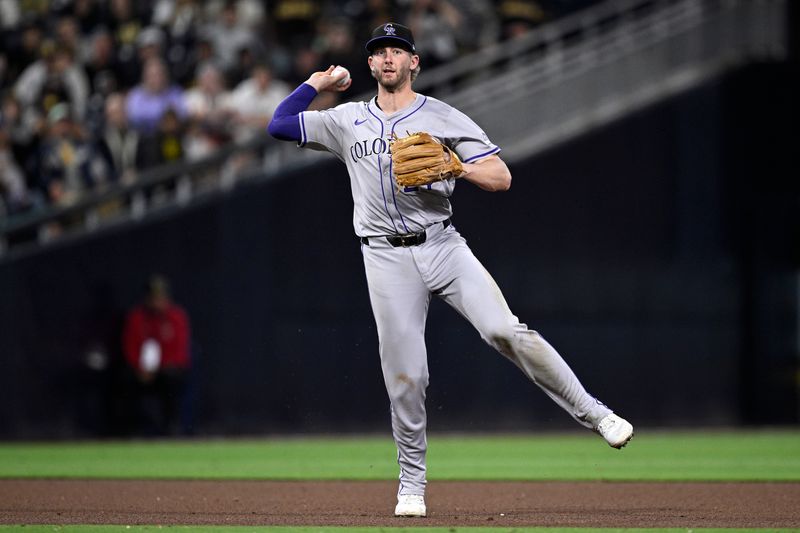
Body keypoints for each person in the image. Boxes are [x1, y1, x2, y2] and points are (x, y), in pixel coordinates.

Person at [268, 22, 633, 518]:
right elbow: (280, 124)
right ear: (371, 65)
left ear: (414, 62)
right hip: (384, 257)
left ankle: (597, 414)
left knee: (505, 330)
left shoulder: (441, 115)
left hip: (442, 245)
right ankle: (411, 486)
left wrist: (455, 167)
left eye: (398, 51)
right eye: (379, 52)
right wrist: (316, 84)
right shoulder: (345, 120)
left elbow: (500, 177)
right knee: (406, 377)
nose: (389, 58)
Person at [122, 274, 192, 436]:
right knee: (125, 378)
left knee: (172, 378)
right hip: (141, 371)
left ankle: (171, 428)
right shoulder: (137, 317)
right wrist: (141, 369)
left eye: (161, 297)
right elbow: (130, 347)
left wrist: (160, 368)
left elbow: (180, 351)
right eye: (153, 297)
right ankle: (133, 430)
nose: (157, 302)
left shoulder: (176, 317)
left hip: (167, 371)